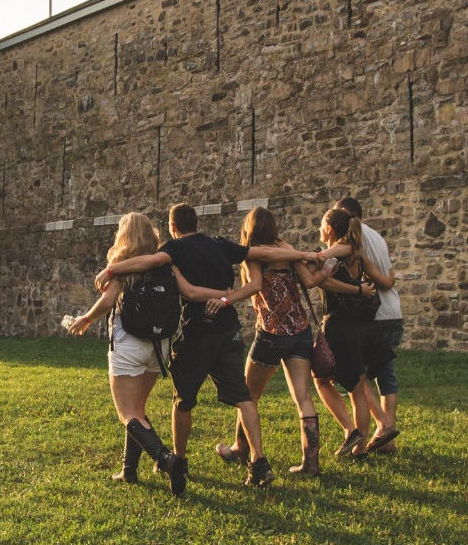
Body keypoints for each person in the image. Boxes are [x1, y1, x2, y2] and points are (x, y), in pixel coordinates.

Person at [95, 203, 320, 489]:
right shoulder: (220, 245)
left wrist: (112, 269)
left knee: (183, 401)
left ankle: (179, 460)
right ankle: (259, 462)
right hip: (229, 332)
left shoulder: (174, 250)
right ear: (197, 222)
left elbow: (156, 267)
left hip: (197, 334)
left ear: (173, 227)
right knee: (243, 397)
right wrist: (303, 254)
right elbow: (263, 253)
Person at [67, 212, 222, 496]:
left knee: (127, 414)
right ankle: (129, 470)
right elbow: (188, 291)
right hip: (158, 346)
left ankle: (167, 460)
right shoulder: (164, 261)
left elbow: (109, 299)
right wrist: (225, 293)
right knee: (137, 410)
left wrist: (86, 319)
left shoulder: (123, 263)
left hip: (128, 344)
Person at [212, 207, 337, 476]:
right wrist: (327, 267)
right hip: (299, 330)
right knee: (303, 398)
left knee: (248, 395)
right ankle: (311, 464)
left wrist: (225, 300)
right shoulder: (288, 249)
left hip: (271, 333)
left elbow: (255, 286)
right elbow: (309, 281)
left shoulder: (252, 254)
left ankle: (240, 448)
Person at [314, 208, 396, 458]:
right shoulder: (358, 255)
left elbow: (319, 279)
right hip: (363, 328)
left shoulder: (333, 256)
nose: (319, 229)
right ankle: (359, 448)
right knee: (357, 388)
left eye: (321, 225)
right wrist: (369, 285)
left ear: (329, 229)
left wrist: (355, 290)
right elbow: (382, 280)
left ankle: (352, 433)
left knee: (321, 380)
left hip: (340, 326)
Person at [335, 197, 402, 453]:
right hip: (393, 312)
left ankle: (382, 427)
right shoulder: (378, 237)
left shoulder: (353, 239)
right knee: (386, 376)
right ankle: (388, 439)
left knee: (357, 374)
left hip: (372, 315)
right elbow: (390, 276)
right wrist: (390, 280)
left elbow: (380, 281)